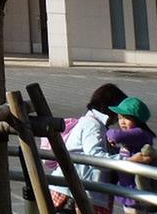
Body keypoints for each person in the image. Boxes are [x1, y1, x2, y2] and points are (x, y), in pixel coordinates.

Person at [49, 83, 127, 214]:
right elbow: (95, 156)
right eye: (119, 112)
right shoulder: (93, 125)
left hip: (76, 191)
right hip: (78, 195)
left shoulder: (92, 122)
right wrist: (125, 159)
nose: (120, 118)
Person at [106, 97, 157, 213]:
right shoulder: (132, 136)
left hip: (136, 193)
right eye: (120, 117)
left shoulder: (140, 133)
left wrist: (108, 133)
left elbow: (114, 135)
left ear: (138, 120)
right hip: (129, 193)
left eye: (127, 118)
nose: (122, 122)